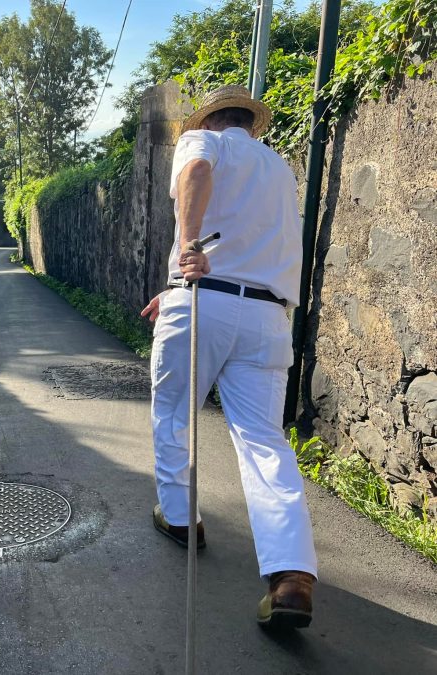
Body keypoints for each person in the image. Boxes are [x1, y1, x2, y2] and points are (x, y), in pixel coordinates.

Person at [140, 85, 318, 629]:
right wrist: (176, 284)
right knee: (264, 442)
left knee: (174, 412)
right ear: (249, 123)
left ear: (212, 120)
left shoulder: (202, 142)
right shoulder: (280, 169)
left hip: (202, 302)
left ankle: (179, 519)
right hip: (266, 317)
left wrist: (188, 247)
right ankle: (291, 577)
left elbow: (195, 174)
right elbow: (253, 244)